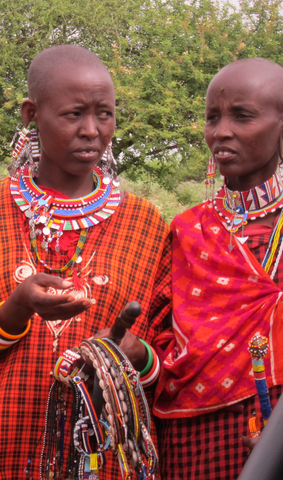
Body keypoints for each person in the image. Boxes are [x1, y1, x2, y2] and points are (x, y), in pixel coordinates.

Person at [0, 45, 171, 480]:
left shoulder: (144, 222)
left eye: (105, 114)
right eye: (74, 114)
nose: (92, 130)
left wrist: (132, 355)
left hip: (104, 460)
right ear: (31, 114)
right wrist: (15, 309)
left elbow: (167, 372)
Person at [154, 57, 283, 479]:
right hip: (194, 441)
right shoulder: (188, 229)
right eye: (213, 117)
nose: (221, 131)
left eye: (242, 116)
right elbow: (161, 340)